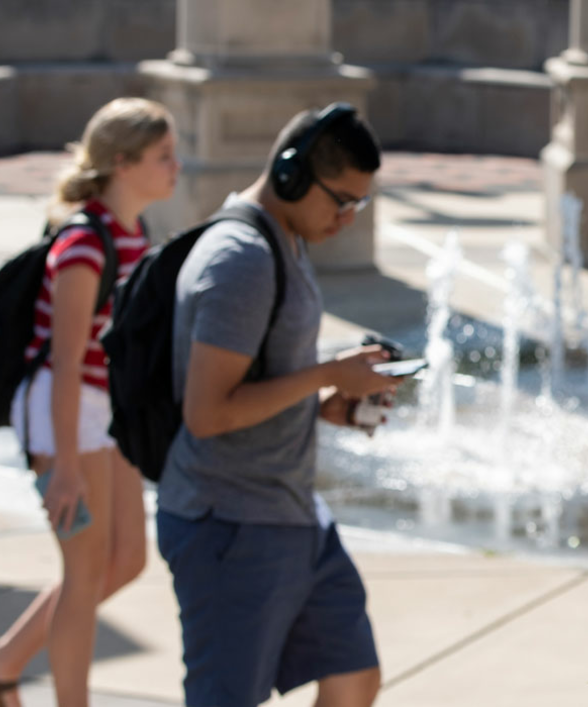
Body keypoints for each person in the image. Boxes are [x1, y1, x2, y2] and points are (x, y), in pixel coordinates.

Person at [158, 103, 397, 707]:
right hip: (232, 525)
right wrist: (327, 373)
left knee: (353, 677)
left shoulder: (284, 241)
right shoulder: (241, 260)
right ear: (291, 174)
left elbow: (256, 384)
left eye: (359, 205)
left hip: (292, 515)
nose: (347, 218)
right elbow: (207, 414)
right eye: (341, 200)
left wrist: (323, 404)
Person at [0, 98, 178, 707]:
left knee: (127, 559)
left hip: (107, 412)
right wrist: (65, 467)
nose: (176, 167)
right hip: (66, 415)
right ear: (121, 162)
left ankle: (1, 663)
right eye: (163, 156)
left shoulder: (136, 233)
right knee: (84, 576)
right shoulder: (83, 246)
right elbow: (62, 363)